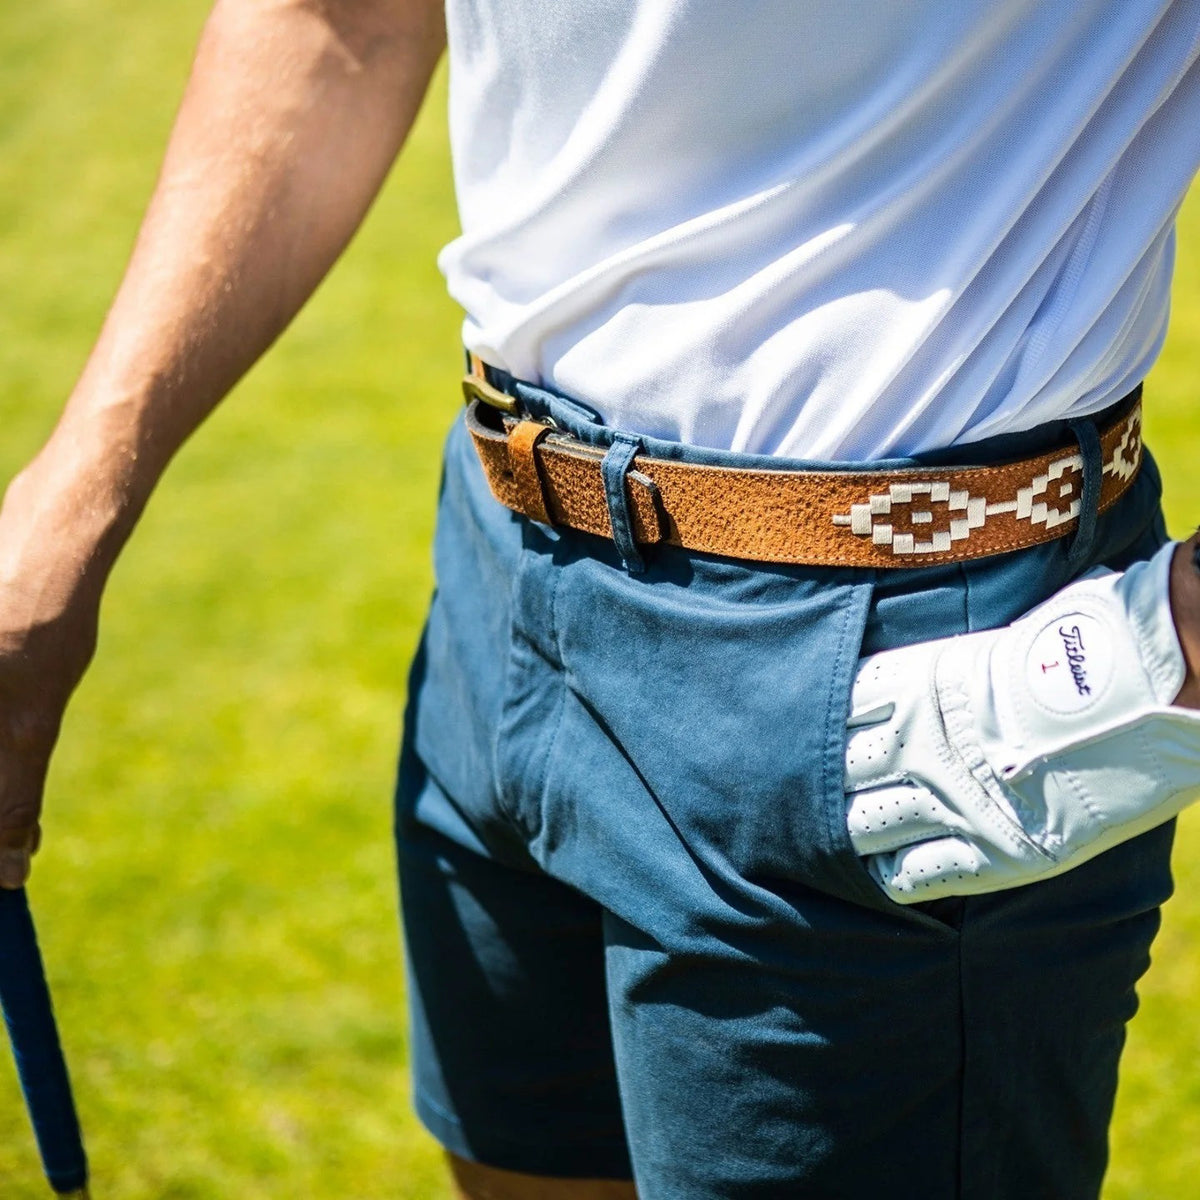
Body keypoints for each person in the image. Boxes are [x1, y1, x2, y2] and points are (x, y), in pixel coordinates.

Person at [2, 1, 1200, 1196]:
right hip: (503, 575)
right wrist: (72, 504)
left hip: (889, 656)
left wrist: (1171, 645)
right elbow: (340, 20)